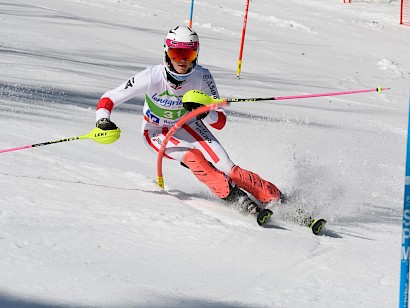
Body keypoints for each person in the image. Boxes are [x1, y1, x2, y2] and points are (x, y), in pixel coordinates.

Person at [95, 25, 284, 215]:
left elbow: (220, 121)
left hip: (188, 125)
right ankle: (236, 198)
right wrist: (103, 119)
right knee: (195, 159)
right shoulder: (152, 76)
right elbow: (110, 97)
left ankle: (274, 196)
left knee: (229, 168)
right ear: (167, 52)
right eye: (176, 54)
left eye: (189, 54)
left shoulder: (202, 77)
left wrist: (204, 112)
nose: (182, 61)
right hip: (156, 131)